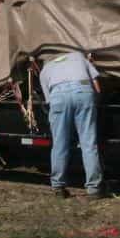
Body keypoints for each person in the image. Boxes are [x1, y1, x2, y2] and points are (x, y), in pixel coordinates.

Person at [39, 50, 106, 199]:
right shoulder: (78, 56)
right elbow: (96, 84)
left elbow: (48, 100)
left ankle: (58, 187)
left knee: (60, 144)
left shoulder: (45, 70)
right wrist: (96, 102)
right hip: (83, 90)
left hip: (58, 94)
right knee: (88, 144)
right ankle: (94, 189)